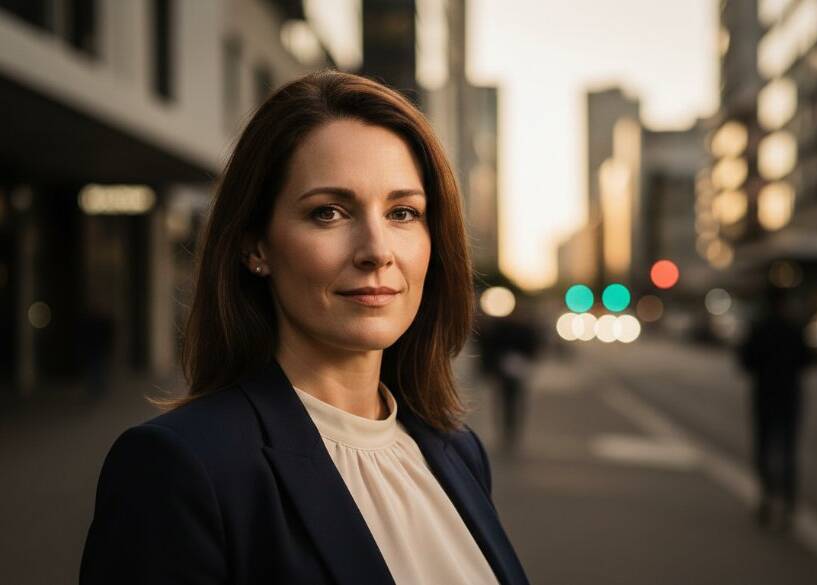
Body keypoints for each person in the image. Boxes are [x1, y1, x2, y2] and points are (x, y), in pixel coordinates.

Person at [80, 71, 529, 585]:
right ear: (256, 247)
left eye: (403, 212)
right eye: (329, 213)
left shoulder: (458, 450)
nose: (378, 251)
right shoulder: (179, 468)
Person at [738, 285, 812, 531]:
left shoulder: (760, 328)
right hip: (789, 395)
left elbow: (745, 361)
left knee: (764, 447)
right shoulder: (794, 328)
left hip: (765, 395)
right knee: (787, 450)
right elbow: (808, 359)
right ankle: (788, 502)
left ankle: (768, 496)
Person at [476, 290, 541, 453]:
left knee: (512, 400)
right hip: (505, 368)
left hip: (516, 368)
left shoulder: (520, 328)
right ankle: (507, 430)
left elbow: (532, 346)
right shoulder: (501, 326)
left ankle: (511, 430)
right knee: (506, 400)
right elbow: (488, 344)